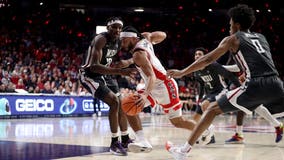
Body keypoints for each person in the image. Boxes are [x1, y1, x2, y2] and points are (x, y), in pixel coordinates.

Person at [166, 4, 284, 160]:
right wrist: (244, 72)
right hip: (277, 83)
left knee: (212, 109)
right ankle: (270, 126)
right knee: (254, 105)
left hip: (256, 84)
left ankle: (182, 151)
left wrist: (182, 72)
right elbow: (259, 61)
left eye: (230, 24)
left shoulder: (233, 39)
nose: (229, 28)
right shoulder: (261, 37)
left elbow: (207, 59)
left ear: (236, 24)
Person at [119, 26, 213, 153]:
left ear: (132, 38)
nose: (121, 43)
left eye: (124, 40)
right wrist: (150, 37)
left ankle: (206, 129)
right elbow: (163, 35)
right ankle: (142, 141)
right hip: (153, 86)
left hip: (165, 86)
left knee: (177, 122)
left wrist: (145, 94)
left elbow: (152, 75)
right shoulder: (146, 38)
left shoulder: (138, 53)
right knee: (127, 105)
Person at [78, 17, 137, 156]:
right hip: (89, 75)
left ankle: (125, 138)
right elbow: (94, 66)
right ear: (107, 28)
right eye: (114, 27)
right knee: (114, 102)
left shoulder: (118, 42)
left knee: (121, 104)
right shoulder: (101, 39)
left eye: (119, 28)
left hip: (105, 75)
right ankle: (114, 143)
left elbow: (117, 58)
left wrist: (128, 62)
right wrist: (120, 71)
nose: (117, 30)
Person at [190, 47, 244, 144]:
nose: (197, 56)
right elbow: (201, 85)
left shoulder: (213, 65)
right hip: (210, 93)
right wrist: (200, 97)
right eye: (196, 54)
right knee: (195, 119)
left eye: (199, 54)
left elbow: (230, 76)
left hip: (221, 91)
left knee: (205, 105)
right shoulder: (196, 70)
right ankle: (211, 137)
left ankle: (208, 133)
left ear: (205, 56)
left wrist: (241, 88)